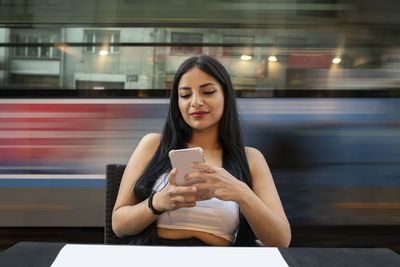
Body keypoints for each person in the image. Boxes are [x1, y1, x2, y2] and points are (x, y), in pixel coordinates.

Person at [112, 55, 291, 247]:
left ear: (225, 96)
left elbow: (281, 240)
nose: (195, 102)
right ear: (177, 102)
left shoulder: (250, 158)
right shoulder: (153, 144)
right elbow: (119, 225)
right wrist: (158, 202)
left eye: (208, 92)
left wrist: (241, 193)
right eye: (185, 95)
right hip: (156, 254)